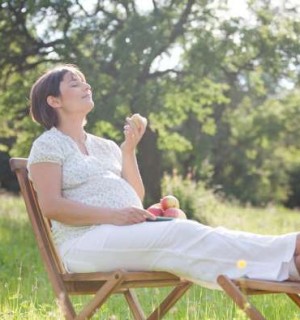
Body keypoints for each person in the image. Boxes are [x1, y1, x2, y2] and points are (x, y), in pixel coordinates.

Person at [27, 64, 300, 290]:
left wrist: (128, 151)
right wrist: (113, 216)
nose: (86, 86)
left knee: (191, 236)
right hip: (83, 244)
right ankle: (288, 253)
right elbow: (51, 206)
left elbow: (134, 197)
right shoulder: (49, 145)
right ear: (54, 101)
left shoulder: (105, 146)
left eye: (85, 82)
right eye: (75, 84)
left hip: (124, 234)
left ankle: (289, 266)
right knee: (179, 234)